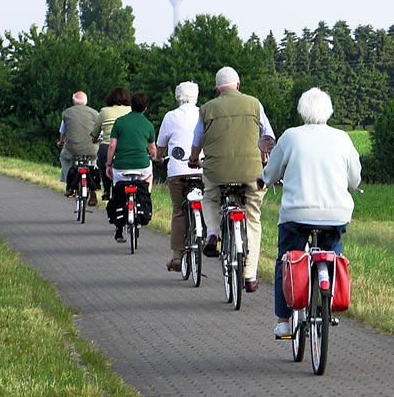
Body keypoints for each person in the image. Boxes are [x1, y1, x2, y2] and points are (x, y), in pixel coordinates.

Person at [261, 88, 361, 338]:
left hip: (296, 214)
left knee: (286, 258)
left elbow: (271, 173)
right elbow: (355, 178)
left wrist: (264, 179)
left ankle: (284, 320)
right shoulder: (342, 138)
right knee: (332, 251)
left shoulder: (290, 137)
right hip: (336, 214)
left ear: (301, 111)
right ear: (329, 111)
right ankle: (329, 300)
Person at [188, 66, 275, 293]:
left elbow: (197, 139)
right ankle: (250, 275)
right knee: (253, 218)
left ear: (217, 89)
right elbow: (268, 135)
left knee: (210, 197)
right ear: (238, 85)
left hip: (216, 171)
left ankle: (213, 233)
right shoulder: (255, 104)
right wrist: (264, 158)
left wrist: (194, 158)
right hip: (251, 172)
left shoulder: (206, 109)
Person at [156, 81, 204, 272]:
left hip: (177, 170)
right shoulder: (204, 113)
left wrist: (159, 158)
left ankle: (177, 255)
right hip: (201, 168)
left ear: (177, 97)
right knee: (209, 205)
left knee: (178, 211)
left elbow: (161, 144)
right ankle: (209, 235)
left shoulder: (170, 116)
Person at [106, 91, 158, 242]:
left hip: (121, 166)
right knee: (149, 175)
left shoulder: (120, 122)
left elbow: (112, 146)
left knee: (117, 189)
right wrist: (154, 158)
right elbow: (152, 149)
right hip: (142, 166)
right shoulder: (148, 125)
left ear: (131, 106)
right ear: (145, 108)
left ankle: (119, 227)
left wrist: (109, 164)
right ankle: (145, 196)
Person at [57, 91, 100, 204]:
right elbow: (99, 131)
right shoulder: (95, 113)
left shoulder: (67, 113)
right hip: (92, 149)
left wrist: (61, 142)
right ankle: (93, 189)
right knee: (93, 163)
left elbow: (63, 131)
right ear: (86, 102)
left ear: (73, 101)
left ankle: (69, 185)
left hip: (73, 149)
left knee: (64, 158)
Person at [91, 87, 132, 202]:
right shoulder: (131, 110)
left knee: (102, 163)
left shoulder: (104, 111)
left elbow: (96, 130)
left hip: (107, 145)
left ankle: (106, 190)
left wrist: (94, 138)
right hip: (126, 147)